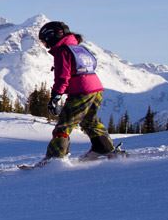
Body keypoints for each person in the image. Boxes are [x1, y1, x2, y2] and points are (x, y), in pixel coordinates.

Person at [35, 21, 126, 166]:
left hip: (81, 91)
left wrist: (56, 96)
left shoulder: (62, 51)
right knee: (90, 121)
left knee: (63, 126)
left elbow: (62, 77)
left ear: (52, 36)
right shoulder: (78, 48)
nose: (46, 45)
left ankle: (55, 159)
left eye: (45, 41)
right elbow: (93, 64)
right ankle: (104, 147)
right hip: (96, 89)